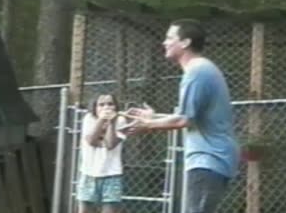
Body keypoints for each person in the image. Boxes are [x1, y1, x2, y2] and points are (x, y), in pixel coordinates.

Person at [126, 19, 240, 213]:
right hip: (211, 159)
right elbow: (189, 116)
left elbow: (183, 120)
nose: (164, 42)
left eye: (170, 38)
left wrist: (147, 125)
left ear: (185, 43)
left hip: (209, 159)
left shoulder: (196, 72)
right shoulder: (202, 69)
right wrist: (153, 118)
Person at [77, 94, 128, 213]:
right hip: (88, 172)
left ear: (116, 106)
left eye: (110, 104)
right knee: (84, 209)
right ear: (95, 107)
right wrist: (101, 120)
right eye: (101, 104)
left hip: (111, 173)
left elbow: (110, 144)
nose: (106, 107)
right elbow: (91, 140)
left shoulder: (121, 120)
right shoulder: (89, 118)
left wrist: (111, 122)